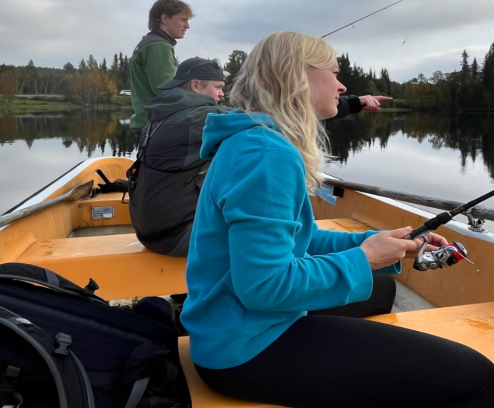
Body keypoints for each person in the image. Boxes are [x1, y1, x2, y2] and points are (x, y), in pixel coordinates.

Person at [181, 31, 494, 408]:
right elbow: (264, 285)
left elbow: (301, 240)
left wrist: (385, 244)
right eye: (334, 72)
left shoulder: (253, 141)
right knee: (475, 380)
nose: (343, 85)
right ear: (298, 77)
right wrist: (363, 259)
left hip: (236, 332)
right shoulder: (266, 154)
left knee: (390, 297)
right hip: (247, 349)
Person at [129, 57, 390, 258]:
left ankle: (183, 295)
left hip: (152, 228)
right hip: (175, 234)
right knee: (276, 237)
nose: (222, 94)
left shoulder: (162, 115)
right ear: (195, 85)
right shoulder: (198, 119)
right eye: (217, 87)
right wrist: (353, 103)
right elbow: (279, 114)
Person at [130, 0, 193, 136]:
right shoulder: (158, 45)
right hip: (155, 126)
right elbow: (167, 90)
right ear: (165, 19)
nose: (187, 26)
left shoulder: (150, 42)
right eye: (183, 19)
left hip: (148, 123)